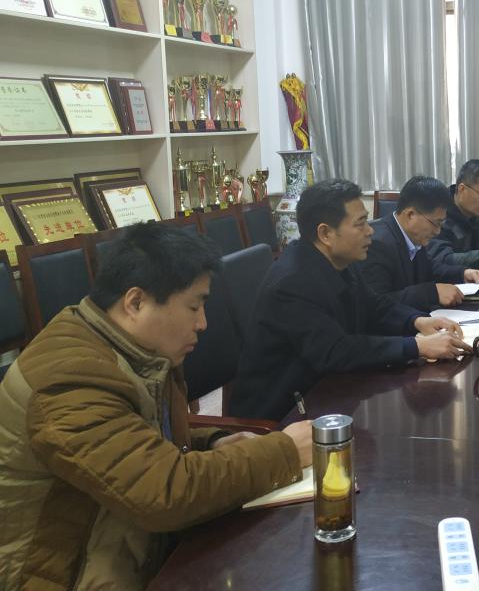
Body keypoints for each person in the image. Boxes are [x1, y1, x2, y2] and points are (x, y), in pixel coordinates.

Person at [0, 223, 314, 590]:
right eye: (194, 306)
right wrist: (285, 453)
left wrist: (210, 442)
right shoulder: (69, 377)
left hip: (125, 546)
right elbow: (163, 494)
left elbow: (132, 434)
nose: (203, 323)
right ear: (135, 303)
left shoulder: (134, 349)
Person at [230, 179, 471, 420]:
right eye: (360, 223)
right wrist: (417, 346)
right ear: (325, 233)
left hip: (328, 390)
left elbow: (374, 305)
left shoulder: (340, 260)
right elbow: (336, 350)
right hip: (282, 413)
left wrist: (417, 321)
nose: (370, 230)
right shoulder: (292, 282)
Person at [358, 176, 479, 310]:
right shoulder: (377, 244)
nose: (438, 231)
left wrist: (462, 273)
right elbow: (377, 303)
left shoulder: (413, 236)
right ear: (411, 215)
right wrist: (432, 293)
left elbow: (429, 270)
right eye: (436, 223)